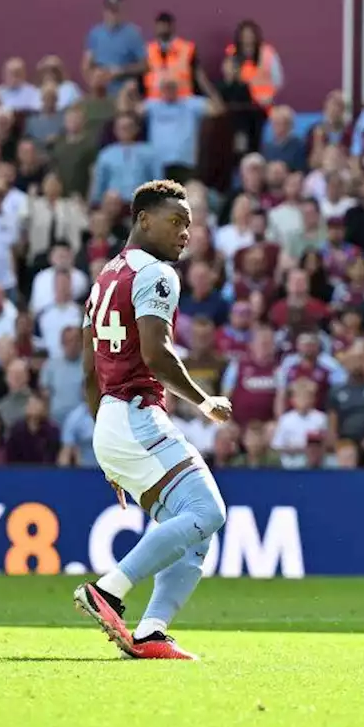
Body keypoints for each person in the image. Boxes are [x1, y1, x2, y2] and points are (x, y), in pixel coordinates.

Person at [73, 180, 233, 662]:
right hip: (138, 414)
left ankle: (151, 631)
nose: (185, 232)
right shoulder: (156, 274)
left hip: (114, 421)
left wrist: (108, 444)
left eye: (189, 224)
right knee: (208, 513)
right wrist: (204, 402)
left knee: (193, 525)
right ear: (143, 219)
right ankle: (109, 591)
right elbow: (156, 353)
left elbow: (87, 371)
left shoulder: (105, 277)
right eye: (175, 221)